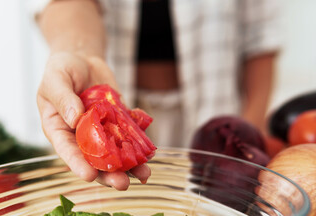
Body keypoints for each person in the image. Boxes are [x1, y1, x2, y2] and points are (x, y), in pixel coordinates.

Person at [35, 0, 281, 190]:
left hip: (217, 117)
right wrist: (80, 53)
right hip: (123, 97)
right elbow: (63, 3)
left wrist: (247, 137)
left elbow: (260, 40)